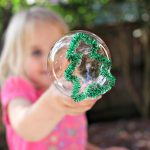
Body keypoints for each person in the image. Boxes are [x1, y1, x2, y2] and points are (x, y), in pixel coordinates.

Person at [0, 7, 102, 150]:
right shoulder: (17, 87)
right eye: (36, 52)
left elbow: (73, 140)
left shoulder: (69, 90)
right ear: (17, 57)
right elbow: (26, 127)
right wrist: (53, 102)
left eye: (57, 50)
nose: (49, 60)